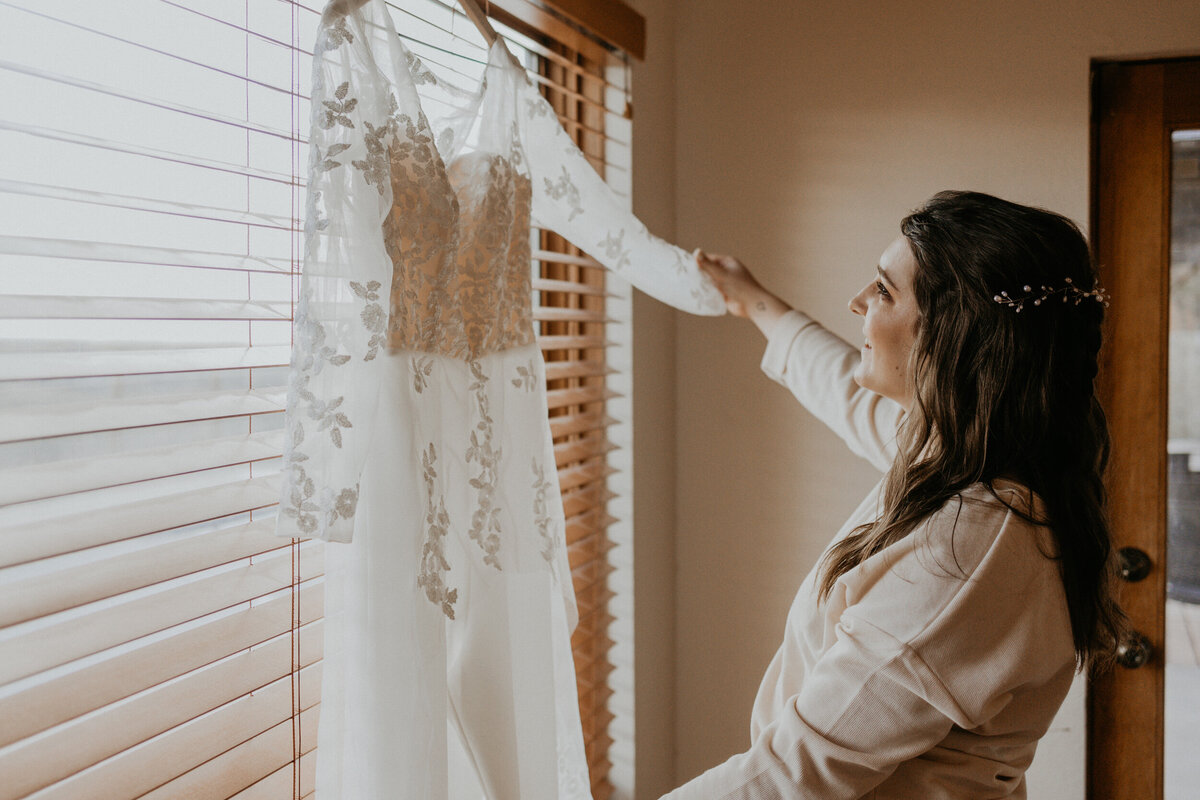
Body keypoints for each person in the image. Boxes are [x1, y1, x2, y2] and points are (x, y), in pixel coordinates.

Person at [664, 190, 1127, 799]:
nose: (857, 301)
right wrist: (753, 301)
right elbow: (849, 398)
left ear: (956, 335)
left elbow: (797, 772)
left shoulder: (971, 542)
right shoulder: (967, 458)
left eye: (883, 290)